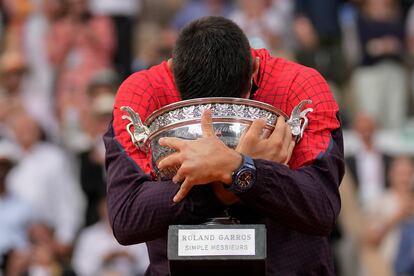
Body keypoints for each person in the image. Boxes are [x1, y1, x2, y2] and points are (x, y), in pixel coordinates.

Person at [104, 16, 344, 275]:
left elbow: (321, 207)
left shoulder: (299, 87)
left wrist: (235, 168)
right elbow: (126, 218)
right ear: (173, 73)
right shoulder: (144, 92)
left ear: (253, 70)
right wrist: (236, 174)